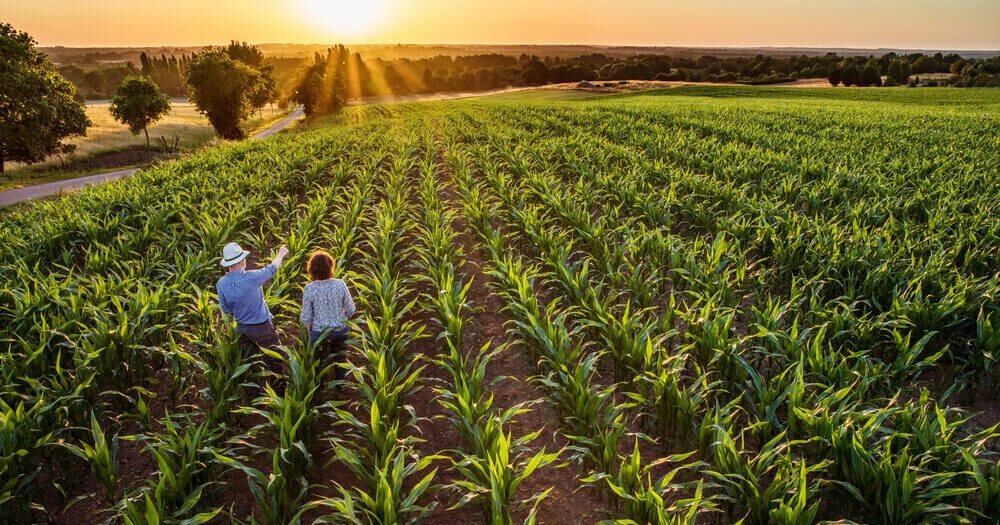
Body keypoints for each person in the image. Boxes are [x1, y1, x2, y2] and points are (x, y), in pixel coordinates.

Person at [217, 241, 289, 368]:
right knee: (275, 359)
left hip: (241, 329)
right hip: (262, 327)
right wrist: (281, 255)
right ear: (241, 261)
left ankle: (254, 388)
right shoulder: (252, 278)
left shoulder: (221, 284)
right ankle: (277, 387)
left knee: (249, 365)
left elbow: (225, 309)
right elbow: (272, 269)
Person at [300, 250, 356, 384]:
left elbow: (306, 317)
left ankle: (319, 385)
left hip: (319, 333)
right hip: (339, 331)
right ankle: (340, 384)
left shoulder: (310, 288)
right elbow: (351, 309)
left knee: (317, 362)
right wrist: (342, 318)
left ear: (311, 270)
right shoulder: (340, 284)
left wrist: (310, 336)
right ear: (330, 267)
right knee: (340, 359)